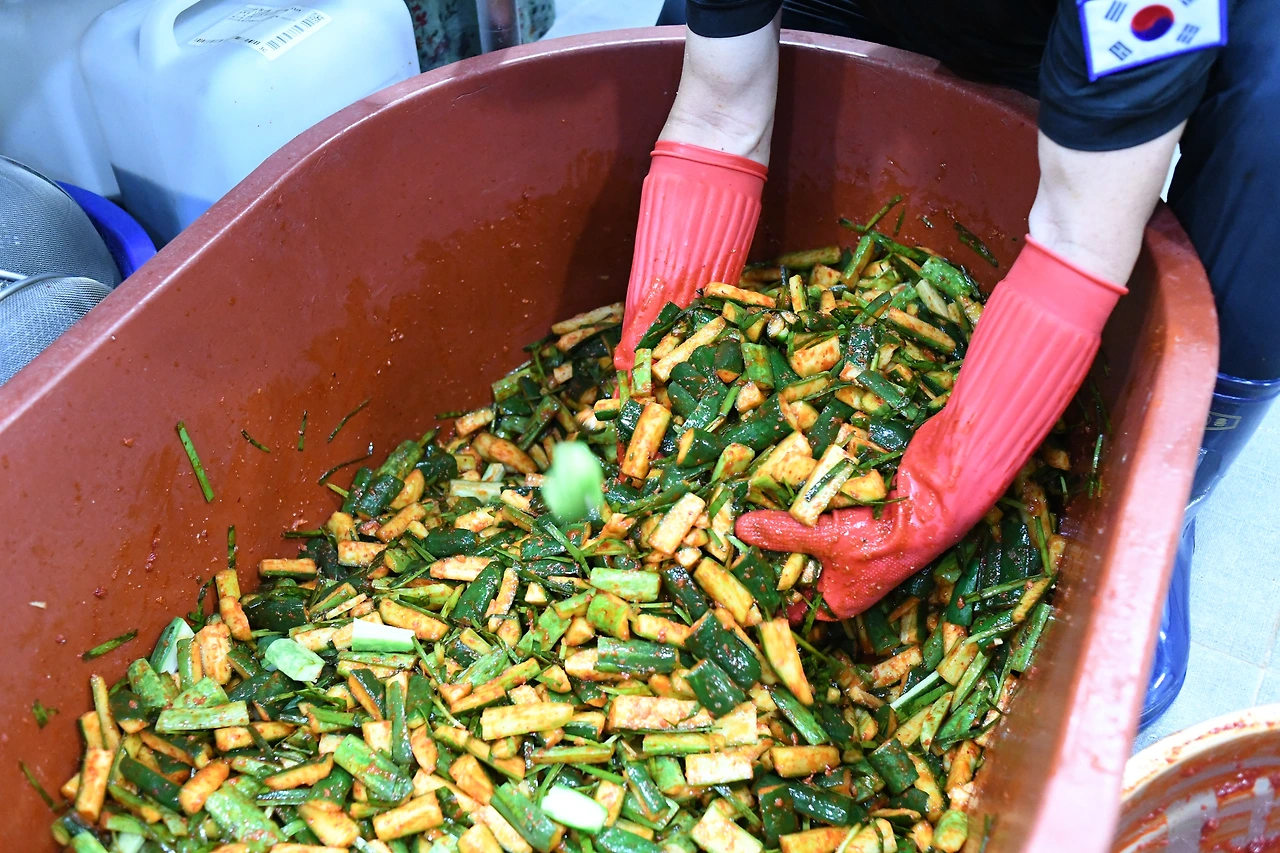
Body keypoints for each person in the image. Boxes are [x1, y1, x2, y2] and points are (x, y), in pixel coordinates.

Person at [615, 0, 1278, 727]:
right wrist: (671, 334)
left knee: (1267, 160)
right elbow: (719, 105)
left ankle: (1174, 499)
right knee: (681, 41)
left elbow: (1081, 233)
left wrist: (940, 494)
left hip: (1131, 36)